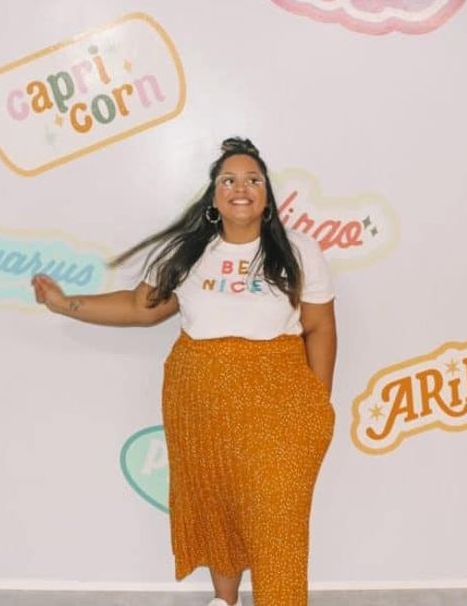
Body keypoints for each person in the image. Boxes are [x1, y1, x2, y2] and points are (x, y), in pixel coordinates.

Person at [31, 137, 336, 606]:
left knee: (279, 522)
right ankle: (225, 601)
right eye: (228, 179)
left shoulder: (299, 251)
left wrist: (318, 406)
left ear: (267, 196)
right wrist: (65, 304)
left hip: (281, 405)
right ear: (214, 197)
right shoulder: (192, 252)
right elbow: (140, 307)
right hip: (201, 400)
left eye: (253, 179)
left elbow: (319, 327)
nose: (241, 187)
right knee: (218, 505)